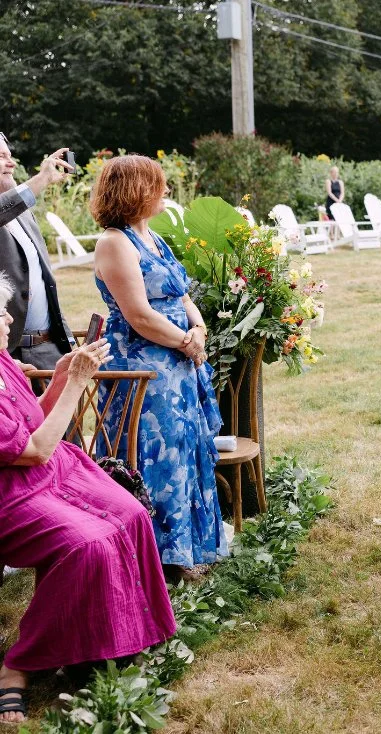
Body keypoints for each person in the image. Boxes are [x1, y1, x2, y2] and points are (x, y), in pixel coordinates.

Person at [0, 271, 175, 724]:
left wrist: (60, 378)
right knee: (88, 544)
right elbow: (34, 448)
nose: (7, 320)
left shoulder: (2, 363)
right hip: (13, 495)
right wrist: (78, 384)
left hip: (54, 470)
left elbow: (33, 422)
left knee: (133, 514)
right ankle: (18, 664)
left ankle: (124, 638)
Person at [90, 155, 226, 575]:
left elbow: (180, 293)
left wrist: (199, 327)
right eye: (159, 185)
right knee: (157, 453)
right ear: (136, 191)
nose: (166, 192)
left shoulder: (151, 237)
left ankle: (189, 549)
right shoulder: (114, 242)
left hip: (178, 359)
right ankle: (159, 557)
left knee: (186, 448)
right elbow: (139, 315)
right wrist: (187, 342)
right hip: (143, 366)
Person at [0, 136, 76, 369]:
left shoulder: (24, 212)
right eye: (1, 157)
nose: (11, 163)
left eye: (10, 156)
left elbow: (45, 282)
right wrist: (42, 179)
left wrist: (67, 340)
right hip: (8, 354)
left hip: (47, 349)